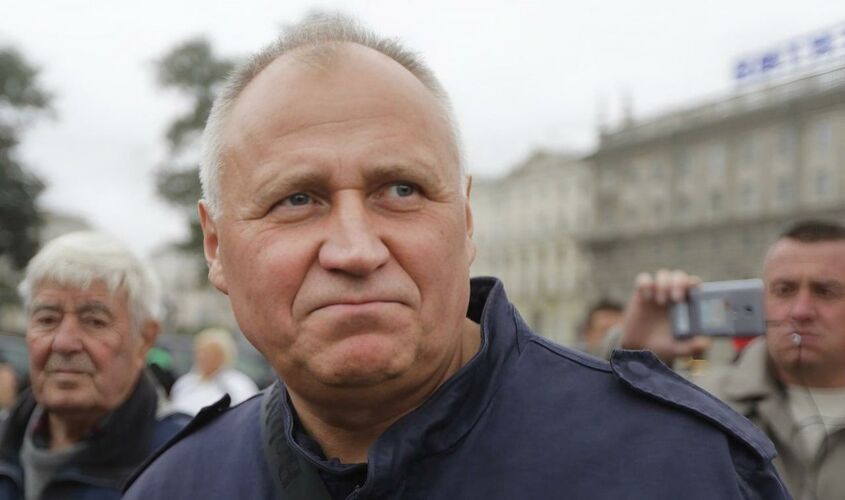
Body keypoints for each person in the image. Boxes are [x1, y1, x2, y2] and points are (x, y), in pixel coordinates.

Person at [125, 14, 788, 499]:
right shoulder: (176, 488)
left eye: (400, 190)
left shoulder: (683, 468)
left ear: (466, 221)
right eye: (296, 199)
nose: (355, 249)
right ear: (216, 246)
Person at [617, 220, 845, 500]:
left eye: (825, 291)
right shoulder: (700, 403)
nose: (800, 311)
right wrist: (634, 362)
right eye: (784, 290)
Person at [0, 232, 191, 499]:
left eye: (94, 322)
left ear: (144, 340)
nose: (64, 343)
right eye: (47, 319)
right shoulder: (7, 440)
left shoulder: (187, 465)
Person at [170, 328, 258, 415]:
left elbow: (244, 414)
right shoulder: (185, 382)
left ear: (224, 355)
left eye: (210, 353)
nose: (202, 356)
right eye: (200, 351)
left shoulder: (238, 384)